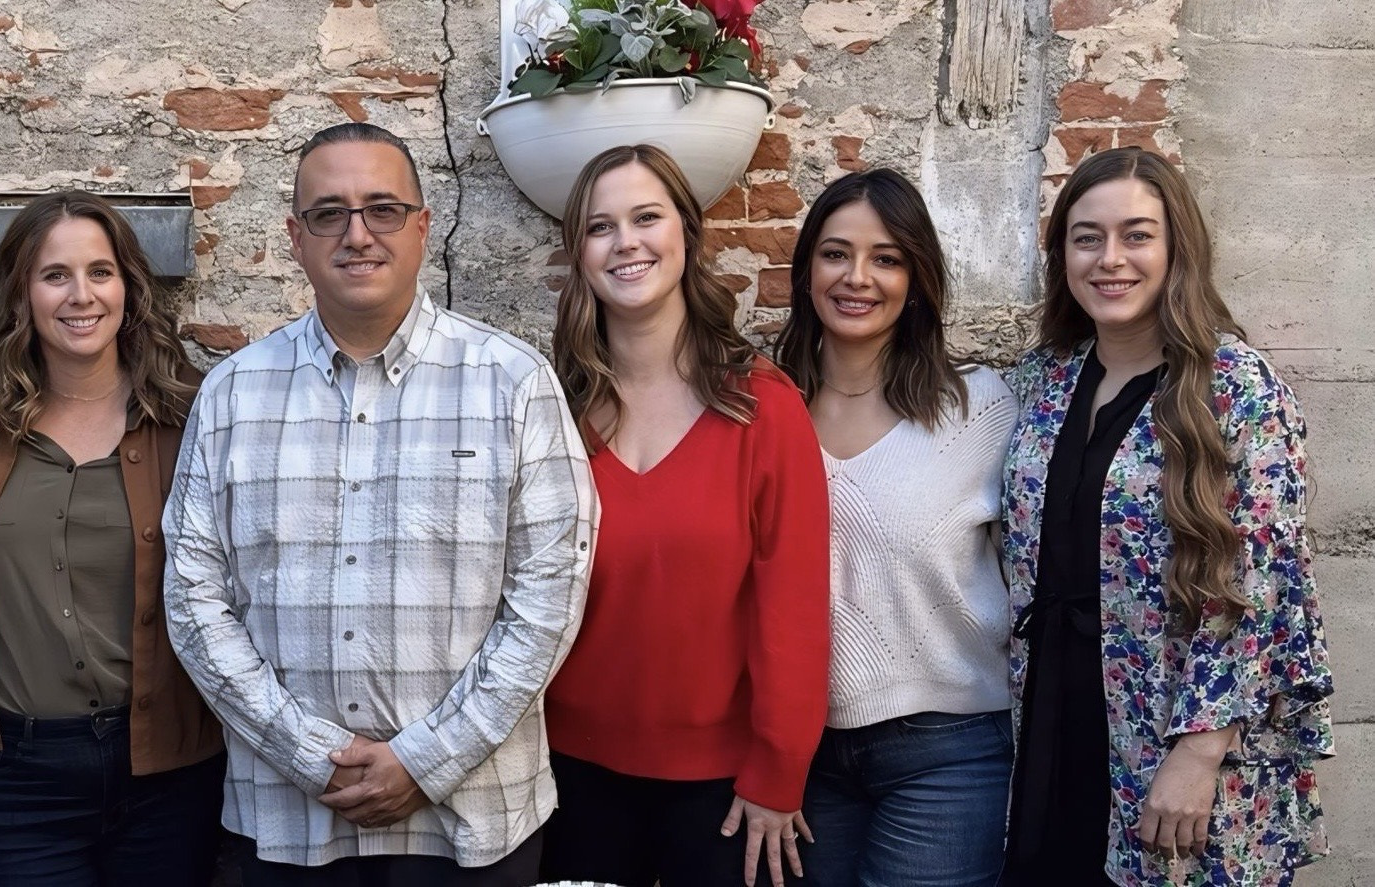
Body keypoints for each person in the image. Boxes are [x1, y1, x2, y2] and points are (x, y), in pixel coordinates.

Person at [161, 121, 598, 887]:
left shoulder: (512, 384)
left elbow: (549, 598)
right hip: (290, 821)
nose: (357, 234)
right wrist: (309, 754)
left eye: (382, 209)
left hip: (472, 821)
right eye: (329, 213)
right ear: (296, 237)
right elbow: (194, 598)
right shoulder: (234, 394)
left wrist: (425, 759)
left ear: (422, 227)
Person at [999, 146, 1333, 886]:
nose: (1109, 258)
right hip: (1054, 712)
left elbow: (1267, 577)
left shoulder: (1235, 386)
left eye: (1137, 234)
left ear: (1177, 246)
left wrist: (1201, 748)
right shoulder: (1045, 379)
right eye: (1087, 237)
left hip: (1173, 724)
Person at [536, 143, 830, 887]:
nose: (626, 241)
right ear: (579, 252)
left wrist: (777, 773)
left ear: (687, 236)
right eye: (602, 227)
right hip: (567, 776)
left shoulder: (764, 409)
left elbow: (793, 613)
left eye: (646, 217)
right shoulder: (547, 411)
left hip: (727, 791)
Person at [0, 190, 225, 885]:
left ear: (129, 286)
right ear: (21, 292)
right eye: (54, 274)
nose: (80, 295)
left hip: (168, 768)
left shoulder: (197, 411)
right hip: (15, 775)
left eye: (100, 271)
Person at [771, 168, 1015, 887]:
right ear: (807, 267)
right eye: (836, 253)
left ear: (917, 277)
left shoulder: (979, 410)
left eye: (886, 258)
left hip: (948, 751)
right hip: (803, 758)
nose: (858, 277)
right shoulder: (762, 406)